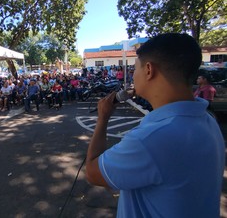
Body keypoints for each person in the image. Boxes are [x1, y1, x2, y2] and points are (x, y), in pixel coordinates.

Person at [85, 33, 225, 217]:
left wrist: (102, 119)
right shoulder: (208, 121)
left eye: (135, 69)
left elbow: (92, 172)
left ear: (149, 70)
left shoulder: (151, 139)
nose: (133, 76)